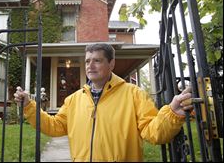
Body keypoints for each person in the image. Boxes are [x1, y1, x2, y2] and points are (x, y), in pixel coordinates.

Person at [14, 43, 193, 162]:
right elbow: (54, 127)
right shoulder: (74, 99)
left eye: (97, 61)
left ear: (111, 64)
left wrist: (173, 112)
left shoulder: (134, 94)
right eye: (87, 61)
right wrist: (29, 106)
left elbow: (153, 133)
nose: (90, 65)